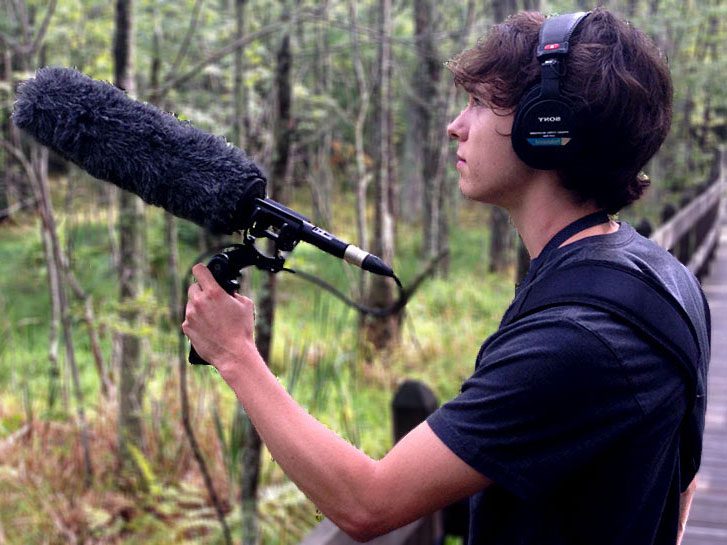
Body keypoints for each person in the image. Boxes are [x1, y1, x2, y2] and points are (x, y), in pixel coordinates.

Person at [183, 7, 710, 545]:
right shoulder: (662, 277)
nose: (455, 125)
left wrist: (234, 355)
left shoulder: (578, 339)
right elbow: (682, 480)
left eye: (480, 103)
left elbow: (367, 503)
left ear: (546, 125)